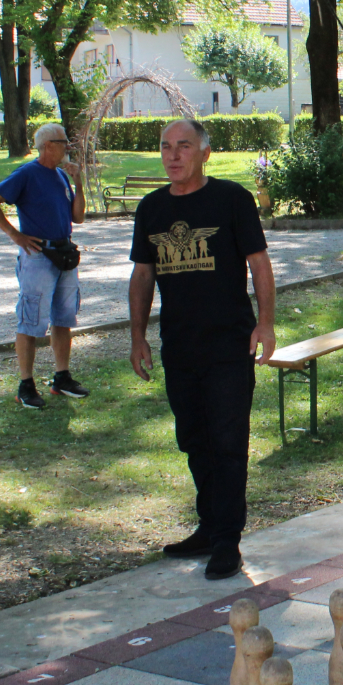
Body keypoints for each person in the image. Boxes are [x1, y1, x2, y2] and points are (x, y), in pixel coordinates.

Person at [129, 119, 275, 581]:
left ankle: (227, 539)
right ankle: (209, 526)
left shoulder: (232, 199)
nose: (173, 155)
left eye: (184, 146)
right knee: (194, 440)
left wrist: (266, 323)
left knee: (228, 442)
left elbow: (259, 264)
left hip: (229, 344)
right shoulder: (151, 208)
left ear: (205, 153)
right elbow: (143, 275)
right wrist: (137, 336)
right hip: (180, 346)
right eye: (165, 147)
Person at [0, 122, 89, 410]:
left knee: (64, 318)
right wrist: (14, 234)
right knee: (31, 320)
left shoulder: (61, 176)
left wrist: (78, 182)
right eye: (63, 142)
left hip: (64, 253)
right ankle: (26, 385)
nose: (68, 147)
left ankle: (61, 378)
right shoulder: (27, 173)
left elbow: (78, 217)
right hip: (38, 256)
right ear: (47, 146)